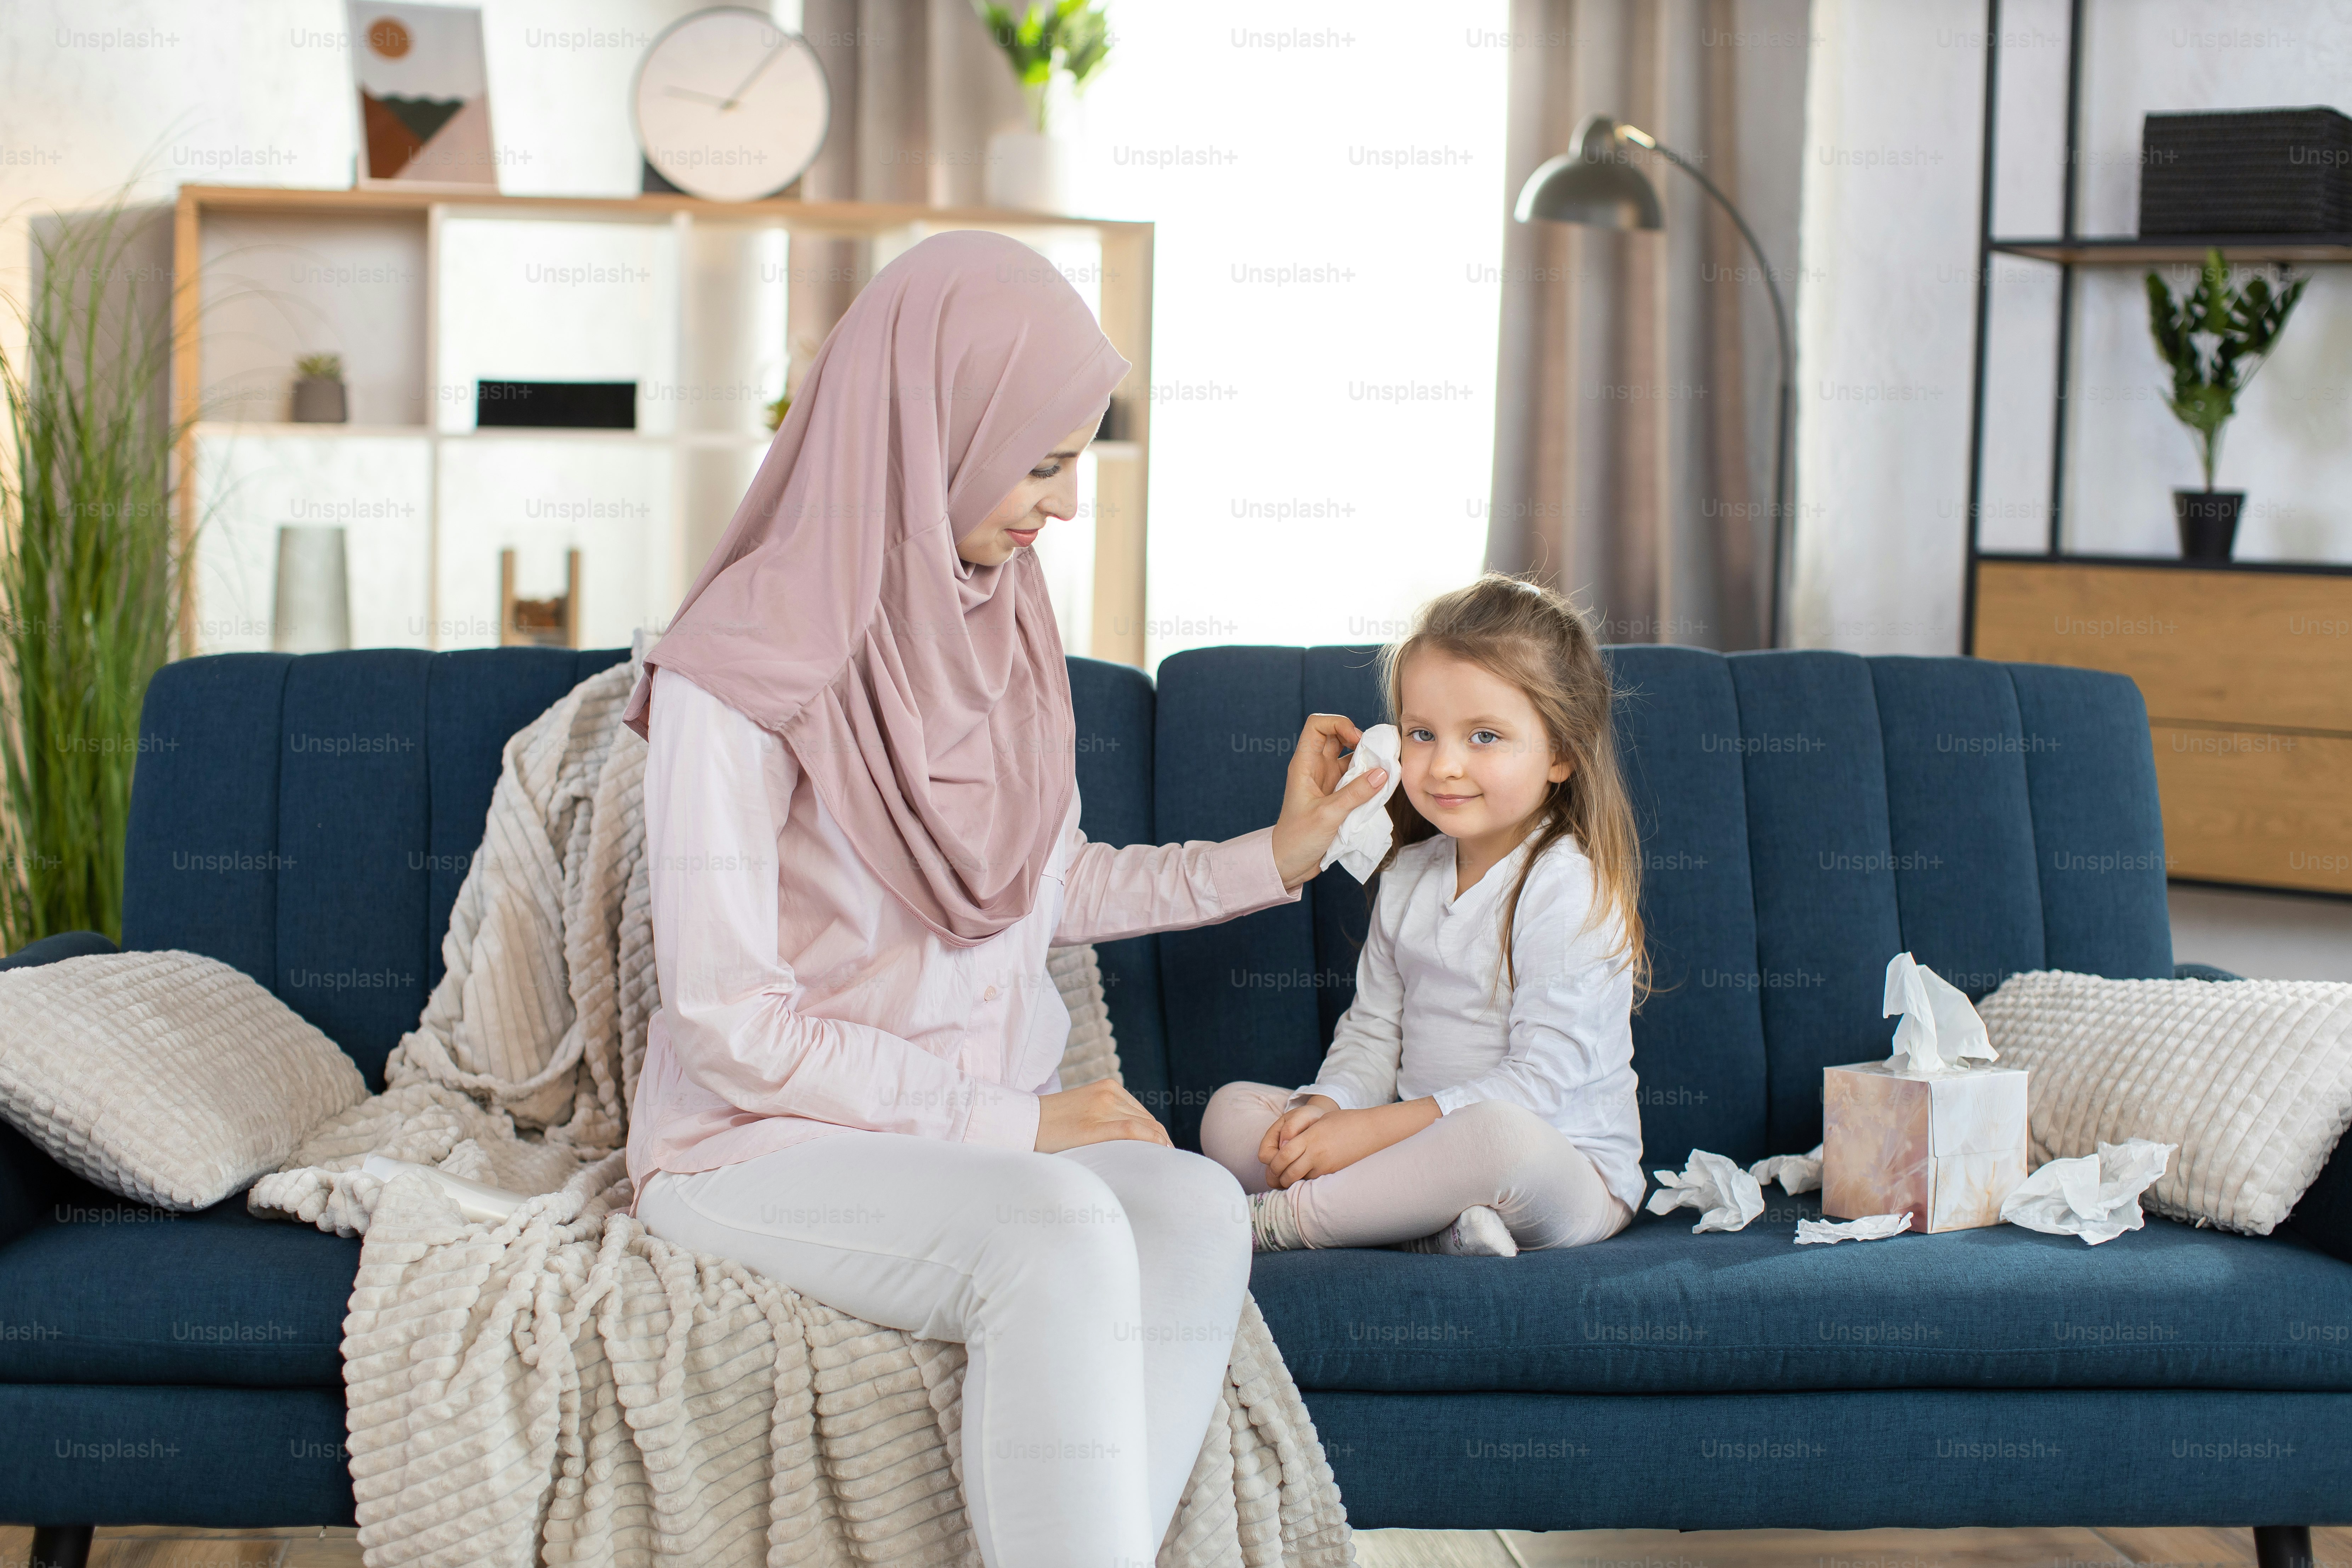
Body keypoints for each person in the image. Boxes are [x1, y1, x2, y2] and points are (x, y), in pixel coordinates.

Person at [617, 229, 1388, 1568]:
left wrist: (1279, 852)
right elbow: (730, 1023)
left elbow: (1051, 885)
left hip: (970, 1135)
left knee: (1198, 1206)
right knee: (1060, 1221)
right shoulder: (730, 672)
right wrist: (1018, 1122)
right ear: (933, 430)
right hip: (755, 1142)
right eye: (1042, 461)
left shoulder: (1005, 623)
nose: (1069, 504)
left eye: (1076, 458)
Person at [1200, 575, 1648, 1258]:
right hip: (1414, 1145)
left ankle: (1283, 1221)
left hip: (1560, 1169)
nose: (1443, 765)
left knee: (1495, 1136)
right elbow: (1374, 1033)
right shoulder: (1410, 872)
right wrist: (1328, 1108)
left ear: (1559, 752)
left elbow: (1543, 1087)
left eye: (1485, 736)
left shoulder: (1565, 887)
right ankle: (1424, 1223)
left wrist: (1369, 1133)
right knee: (1234, 1111)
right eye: (1421, 733)